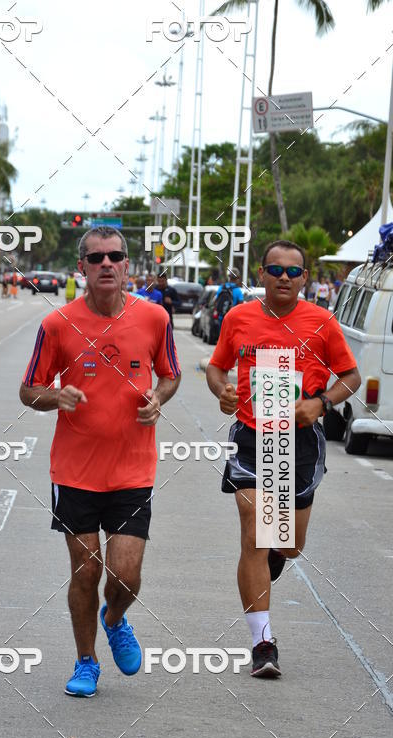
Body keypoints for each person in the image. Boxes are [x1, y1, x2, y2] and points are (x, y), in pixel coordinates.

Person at [19, 226, 182, 697]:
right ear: (82, 269)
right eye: (96, 259)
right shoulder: (57, 324)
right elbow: (28, 391)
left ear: (128, 265)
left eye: (115, 257)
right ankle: (86, 661)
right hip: (74, 472)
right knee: (86, 570)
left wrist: (158, 398)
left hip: (133, 470)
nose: (106, 264)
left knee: (126, 577)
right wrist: (56, 396)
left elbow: (170, 376)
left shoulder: (154, 318)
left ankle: (115, 619)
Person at [205, 240, 360, 678]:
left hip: (301, 442)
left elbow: (350, 376)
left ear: (305, 278)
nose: (284, 278)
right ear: (262, 273)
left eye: (294, 271)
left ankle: (275, 556)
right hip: (252, 436)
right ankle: (263, 644)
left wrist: (322, 405)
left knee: (289, 544)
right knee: (255, 528)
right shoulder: (238, 318)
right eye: (276, 270)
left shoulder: (321, 321)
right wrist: (222, 391)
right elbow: (216, 368)